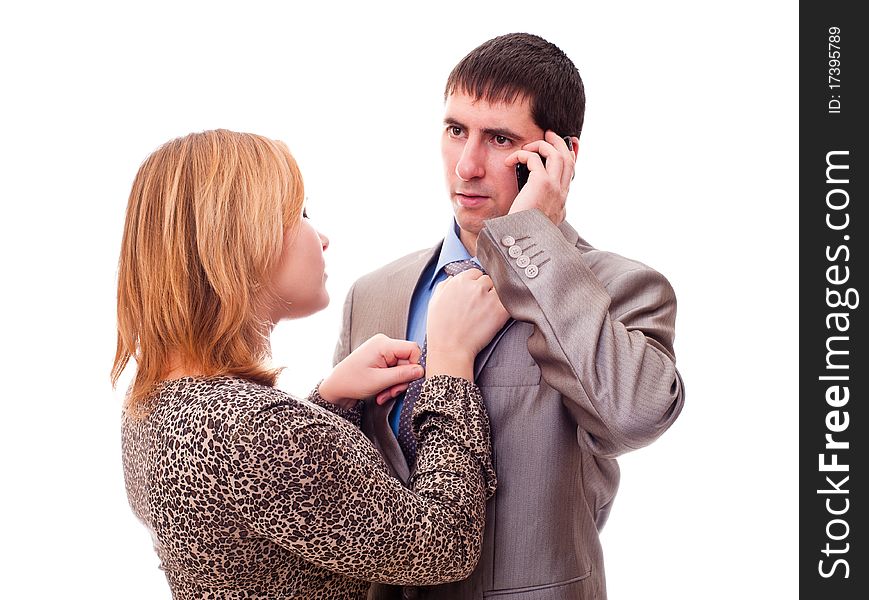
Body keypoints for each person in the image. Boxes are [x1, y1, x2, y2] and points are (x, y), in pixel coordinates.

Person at [334, 33, 686, 599]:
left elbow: (636, 416)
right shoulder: (374, 293)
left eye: (499, 139)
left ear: (559, 157)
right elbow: (334, 477)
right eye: (455, 131)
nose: (467, 166)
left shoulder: (621, 289)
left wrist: (528, 240)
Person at [112, 129, 509, 599]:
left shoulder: (151, 407)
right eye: (299, 213)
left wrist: (327, 403)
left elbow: (260, 525)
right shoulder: (254, 430)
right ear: (238, 240)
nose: (320, 237)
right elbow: (444, 545)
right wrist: (450, 363)